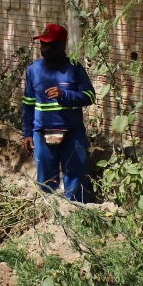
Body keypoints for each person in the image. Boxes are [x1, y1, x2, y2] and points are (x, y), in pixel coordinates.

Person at [22, 23, 96, 202]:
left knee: (76, 187)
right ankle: (50, 216)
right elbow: (28, 105)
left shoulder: (74, 68)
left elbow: (89, 96)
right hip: (42, 136)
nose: (44, 48)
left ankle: (77, 214)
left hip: (72, 136)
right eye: (42, 44)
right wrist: (28, 133)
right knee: (46, 187)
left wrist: (65, 95)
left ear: (61, 45)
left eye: (49, 44)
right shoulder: (33, 70)